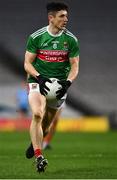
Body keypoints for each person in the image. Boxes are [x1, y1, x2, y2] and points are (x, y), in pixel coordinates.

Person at [24, 2, 80, 173]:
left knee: (46, 126)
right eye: (62, 16)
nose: (66, 19)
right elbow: (27, 63)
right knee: (37, 114)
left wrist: (68, 83)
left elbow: (75, 66)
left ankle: (34, 142)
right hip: (38, 81)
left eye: (66, 16)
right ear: (51, 18)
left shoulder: (71, 40)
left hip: (60, 86)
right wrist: (40, 78)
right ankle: (39, 155)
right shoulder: (36, 37)